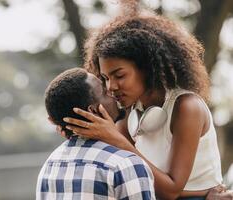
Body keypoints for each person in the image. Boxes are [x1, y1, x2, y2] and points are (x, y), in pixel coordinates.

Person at [61, 7, 225, 200]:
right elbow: (127, 173)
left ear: (147, 68)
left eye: (119, 75)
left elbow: (170, 190)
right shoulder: (129, 112)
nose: (111, 86)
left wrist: (116, 138)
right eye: (105, 78)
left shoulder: (186, 107)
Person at [36, 68, 155, 200]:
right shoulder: (125, 165)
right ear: (93, 111)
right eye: (105, 92)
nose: (112, 91)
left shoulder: (50, 166)